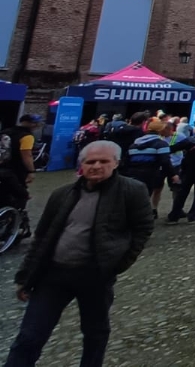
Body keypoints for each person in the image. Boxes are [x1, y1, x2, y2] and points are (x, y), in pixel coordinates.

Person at [5, 140, 154, 366]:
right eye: (90, 161)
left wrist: (119, 262)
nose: (96, 166)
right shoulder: (62, 194)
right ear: (81, 164)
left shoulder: (132, 191)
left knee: (95, 333)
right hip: (53, 276)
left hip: (94, 276)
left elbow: (142, 228)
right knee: (30, 335)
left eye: (103, 161)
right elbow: (43, 237)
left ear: (116, 163)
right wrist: (25, 276)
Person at [122, 120, 178, 219]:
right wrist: (173, 174)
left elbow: (126, 161)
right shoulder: (161, 144)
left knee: (133, 197)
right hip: (150, 174)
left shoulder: (134, 144)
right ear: (161, 130)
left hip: (132, 174)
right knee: (144, 197)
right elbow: (165, 161)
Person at [166, 119, 195, 224]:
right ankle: (193, 216)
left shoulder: (191, 139)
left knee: (182, 193)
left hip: (188, 170)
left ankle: (174, 217)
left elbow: (173, 148)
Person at [0, 114, 41, 239]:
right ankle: (12, 228)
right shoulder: (27, 136)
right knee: (20, 197)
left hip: (2, 168)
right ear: (32, 123)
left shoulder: (5, 132)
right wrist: (31, 171)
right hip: (16, 171)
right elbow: (26, 155)